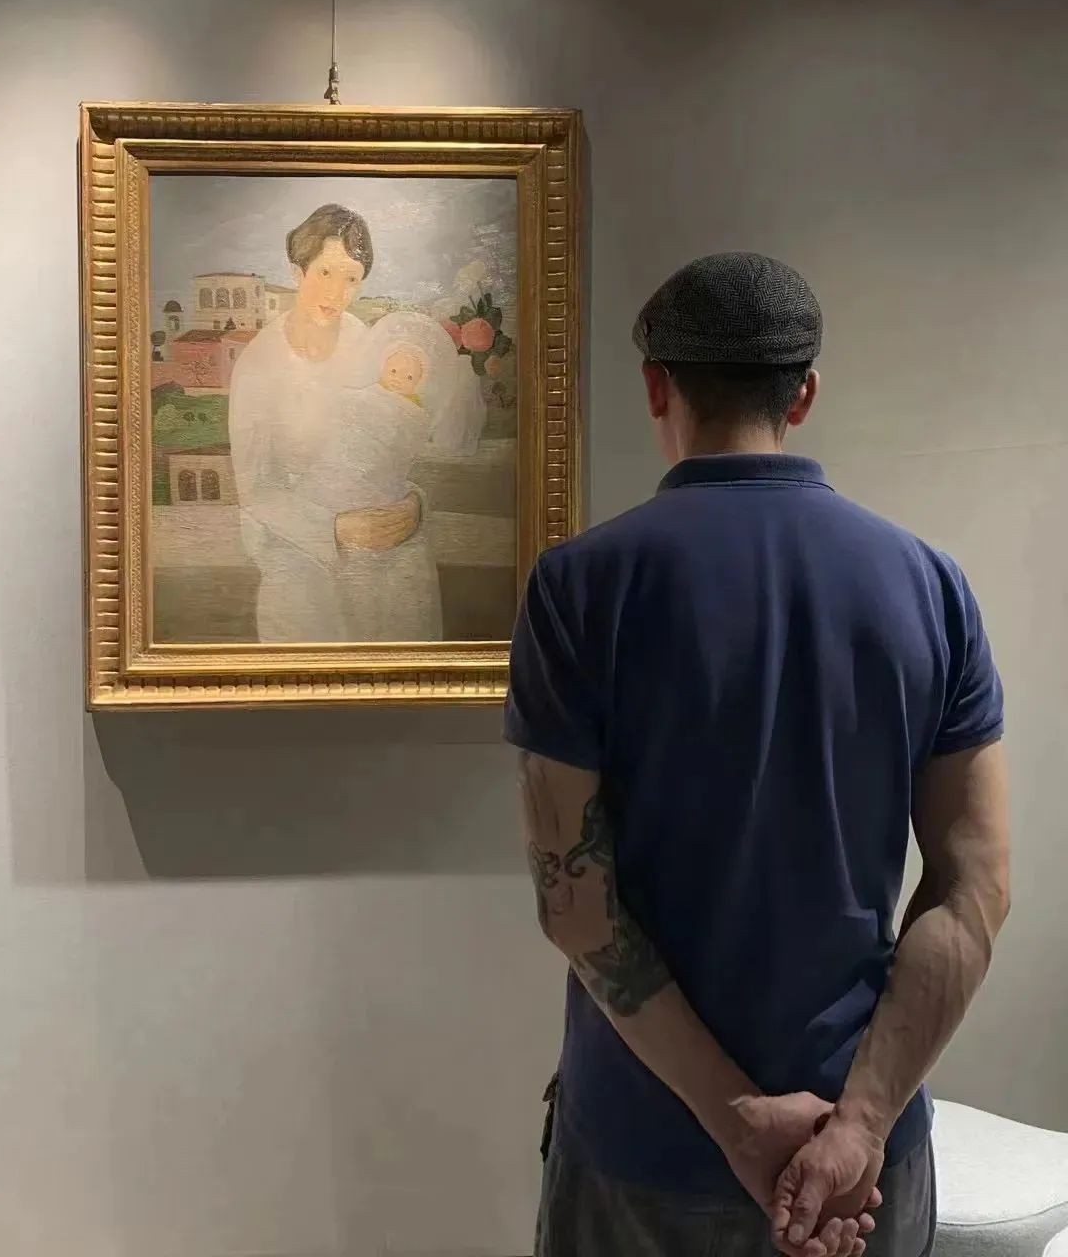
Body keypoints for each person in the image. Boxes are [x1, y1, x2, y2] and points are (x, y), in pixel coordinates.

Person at [505, 254, 1011, 1257]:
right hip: (861, 1167)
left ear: (658, 386)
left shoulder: (579, 588)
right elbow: (975, 888)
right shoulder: (930, 586)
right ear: (804, 394)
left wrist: (737, 1119)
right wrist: (859, 1124)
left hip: (643, 1146)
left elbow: (575, 902)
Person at [229, 204, 431, 642]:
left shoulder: (369, 345)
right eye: (325, 273)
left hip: (379, 537)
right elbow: (255, 491)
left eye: (351, 279)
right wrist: (335, 529)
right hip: (299, 547)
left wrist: (414, 506)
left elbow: (396, 438)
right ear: (297, 272)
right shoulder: (259, 364)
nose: (336, 293)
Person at [294, 311, 484, 641]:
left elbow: (399, 446)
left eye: (408, 376)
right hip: (340, 489)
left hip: (383, 489)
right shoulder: (363, 395)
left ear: (421, 381)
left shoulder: (414, 414)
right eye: (393, 370)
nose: (397, 379)